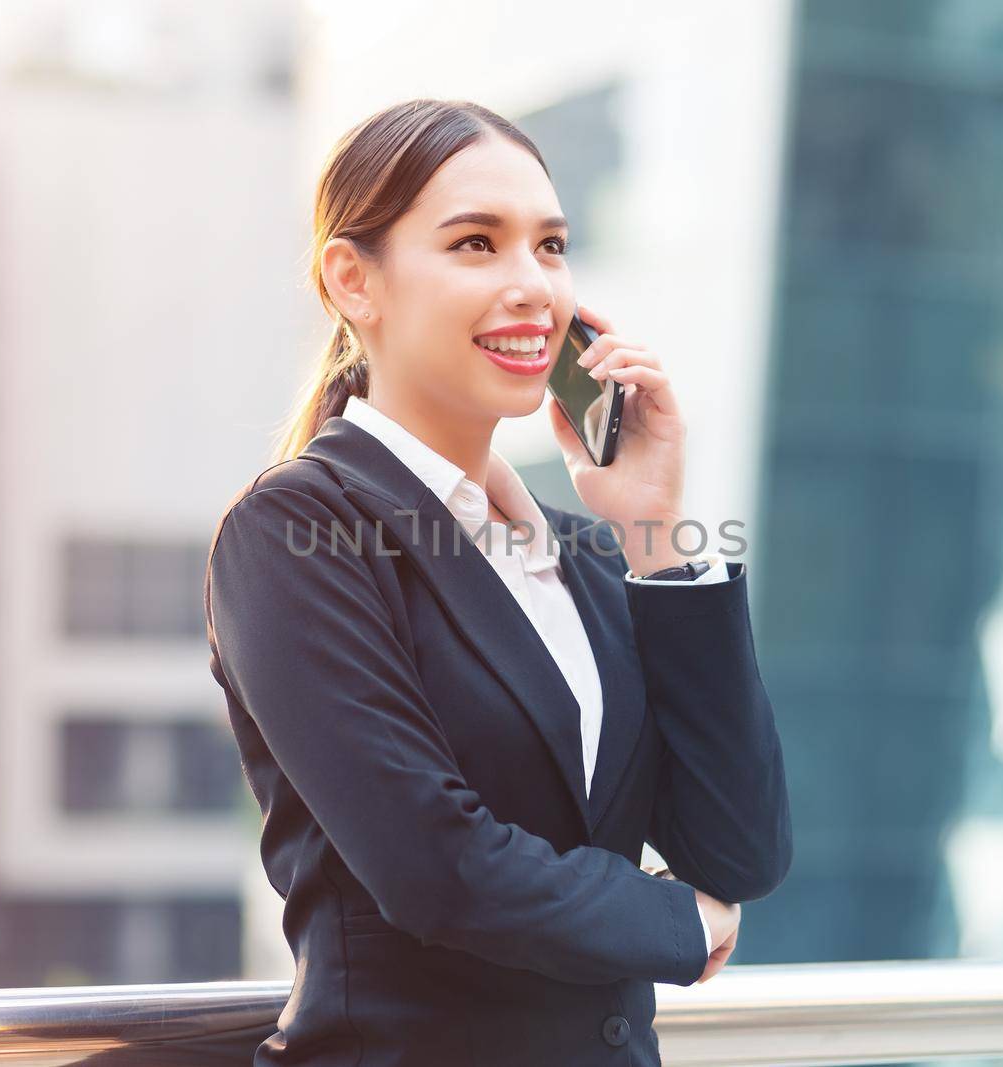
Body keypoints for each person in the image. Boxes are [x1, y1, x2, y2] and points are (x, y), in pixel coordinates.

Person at [203, 97, 791, 1067]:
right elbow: (434, 864)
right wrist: (678, 925)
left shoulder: (590, 553)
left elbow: (739, 851)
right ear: (353, 279)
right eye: (476, 244)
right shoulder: (296, 531)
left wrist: (652, 531)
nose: (532, 285)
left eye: (550, 247)